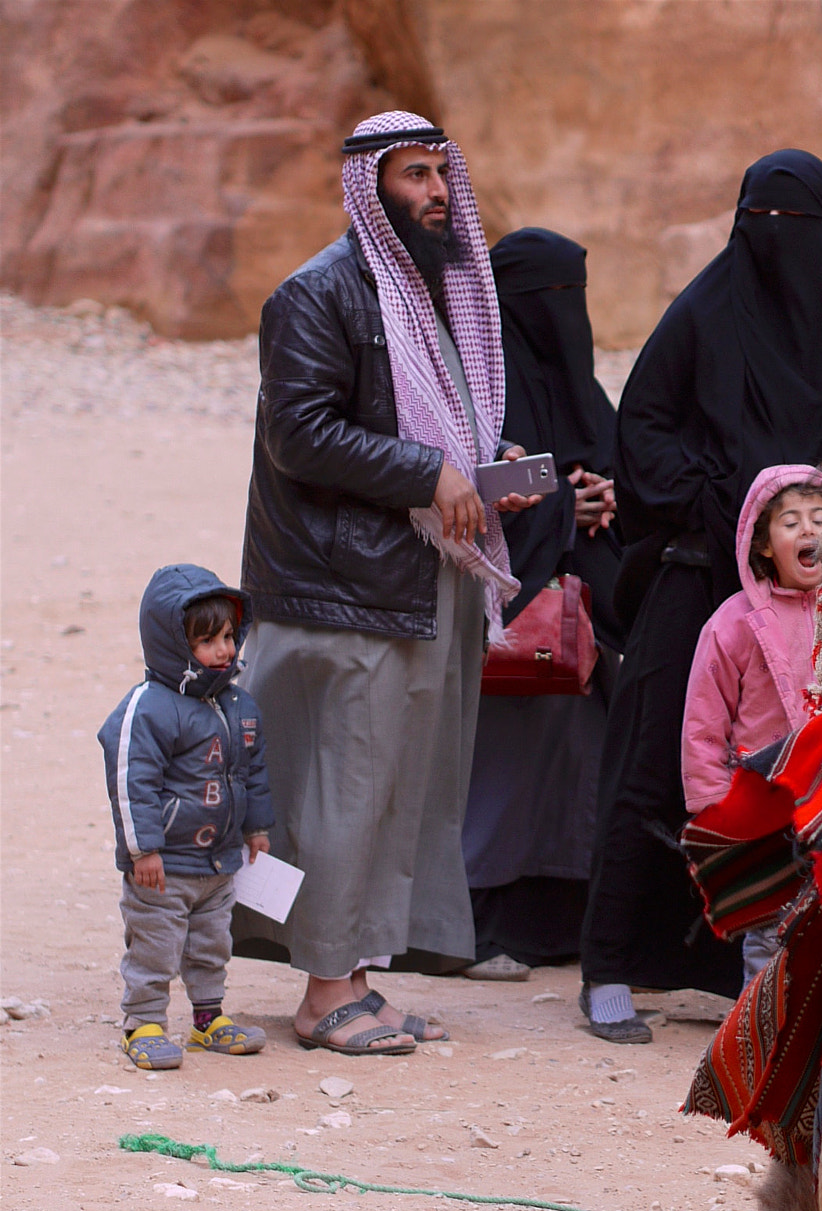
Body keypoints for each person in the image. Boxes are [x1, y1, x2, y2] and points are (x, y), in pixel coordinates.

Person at [579, 149, 822, 1045]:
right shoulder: (704, 313)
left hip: (821, 584)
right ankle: (611, 964)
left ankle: (770, 973)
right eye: (767, 230)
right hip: (700, 575)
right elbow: (641, 424)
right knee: (659, 758)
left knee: (815, 770)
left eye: (801, 232)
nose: (783, 251)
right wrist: (724, 499)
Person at [234, 110, 540, 1056]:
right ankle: (324, 993)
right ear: (370, 186)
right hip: (343, 590)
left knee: (401, 790)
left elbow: (432, 431)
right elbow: (300, 434)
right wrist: (427, 475)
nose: (437, 193)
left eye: (443, 175)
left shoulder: (429, 292)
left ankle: (357, 979)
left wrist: (485, 471)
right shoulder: (318, 293)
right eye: (414, 176)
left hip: (418, 578)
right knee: (344, 790)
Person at [459, 227, 623, 980]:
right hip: (502, 622)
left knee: (573, 767)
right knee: (498, 774)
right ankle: (473, 922)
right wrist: (565, 509)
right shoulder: (476, 384)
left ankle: (564, 920)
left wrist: (609, 497)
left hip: (581, 623)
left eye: (571, 299)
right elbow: (471, 485)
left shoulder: (583, 391)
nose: (561, 316)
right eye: (542, 301)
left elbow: (619, 460)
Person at [98, 567, 274, 1069]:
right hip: (164, 865)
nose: (223, 650)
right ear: (174, 644)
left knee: (211, 943)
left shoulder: (239, 705)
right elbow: (131, 781)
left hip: (218, 863)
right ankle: (144, 1022)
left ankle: (207, 1019)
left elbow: (252, 771)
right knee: (155, 943)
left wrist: (256, 828)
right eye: (206, 640)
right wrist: (142, 849)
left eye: (227, 637)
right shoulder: (149, 708)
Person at [681, 466, 822, 983]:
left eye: (820, 518)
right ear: (764, 544)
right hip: (764, 810)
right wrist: (713, 810)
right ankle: (759, 1039)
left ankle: (818, 1047)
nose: (809, 531)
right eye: (790, 522)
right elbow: (704, 723)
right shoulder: (735, 621)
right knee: (770, 931)